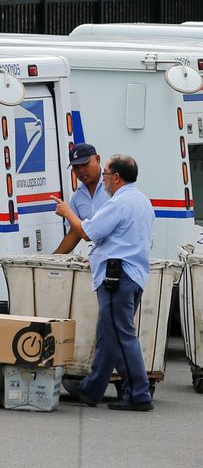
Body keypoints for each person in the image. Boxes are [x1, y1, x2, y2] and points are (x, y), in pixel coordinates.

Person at [52, 154, 156, 410]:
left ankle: (138, 394)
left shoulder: (118, 203)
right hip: (131, 274)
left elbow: (87, 232)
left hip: (117, 278)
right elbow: (123, 238)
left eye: (107, 175)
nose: (105, 181)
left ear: (116, 177)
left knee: (121, 335)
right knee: (109, 333)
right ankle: (92, 389)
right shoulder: (141, 200)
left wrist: (68, 212)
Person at [53, 143, 110, 254]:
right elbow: (74, 234)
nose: (81, 170)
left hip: (123, 258)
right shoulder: (77, 196)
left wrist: (67, 212)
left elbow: (88, 234)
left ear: (98, 159)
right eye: (76, 167)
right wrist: (50, 261)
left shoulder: (113, 185)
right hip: (104, 260)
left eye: (85, 164)